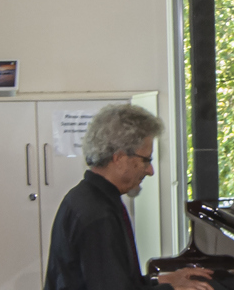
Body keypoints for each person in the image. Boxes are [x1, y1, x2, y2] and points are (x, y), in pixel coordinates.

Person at [44, 104, 221, 290]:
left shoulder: (84, 196)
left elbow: (115, 281)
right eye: (146, 160)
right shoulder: (98, 215)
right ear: (119, 158)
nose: (150, 170)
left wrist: (164, 280)